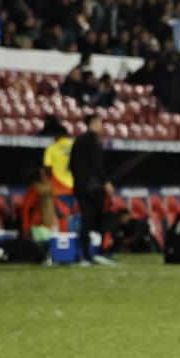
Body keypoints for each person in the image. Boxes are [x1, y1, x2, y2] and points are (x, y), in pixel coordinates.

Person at [68, 114, 118, 267]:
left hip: (79, 187)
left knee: (86, 220)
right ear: (94, 123)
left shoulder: (77, 141)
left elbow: (72, 165)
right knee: (104, 219)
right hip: (94, 187)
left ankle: (86, 256)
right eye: (101, 123)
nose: (102, 126)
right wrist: (106, 182)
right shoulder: (93, 140)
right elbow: (97, 164)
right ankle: (102, 251)